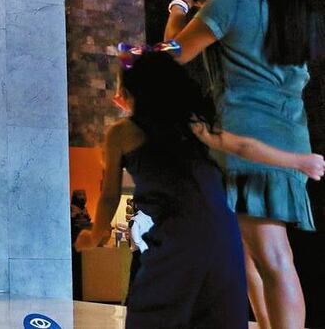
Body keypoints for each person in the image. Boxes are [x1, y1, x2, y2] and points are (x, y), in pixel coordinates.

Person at [75, 50, 324, 328]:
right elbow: (244, 147)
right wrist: (299, 161)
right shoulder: (196, 125)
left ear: (130, 91)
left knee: (153, 316)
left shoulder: (122, 133)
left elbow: (109, 197)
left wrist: (94, 236)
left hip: (178, 240)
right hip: (223, 239)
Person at [165, 0, 320, 329]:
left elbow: (171, 54)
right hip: (289, 140)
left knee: (271, 257)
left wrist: (180, 5)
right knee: (250, 254)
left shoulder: (231, 2)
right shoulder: (295, 9)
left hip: (247, 142)